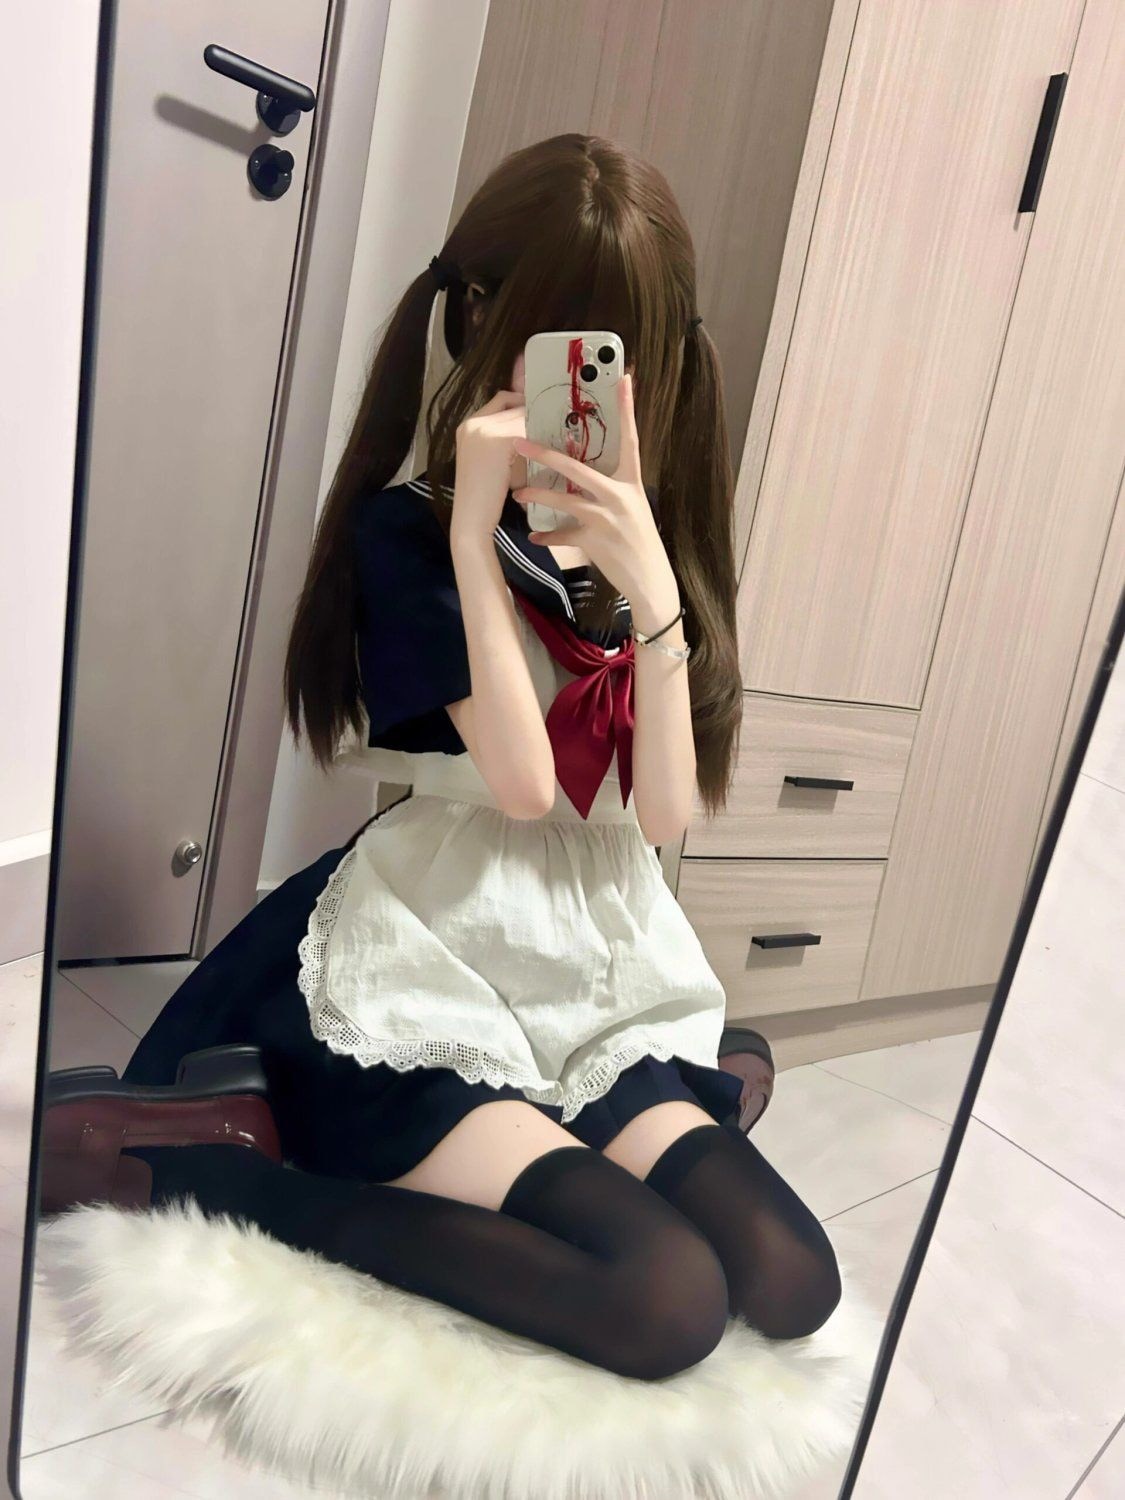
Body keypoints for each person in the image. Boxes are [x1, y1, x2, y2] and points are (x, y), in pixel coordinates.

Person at [50, 134, 840, 1381]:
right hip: (444, 953)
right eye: (554, 340)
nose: (576, 387)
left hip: (597, 955)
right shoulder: (410, 535)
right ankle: (212, 1174)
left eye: (611, 352)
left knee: (793, 1277)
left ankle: (635, 1113)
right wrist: (475, 537)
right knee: (664, 1298)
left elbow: (666, 811)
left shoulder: (643, 554)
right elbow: (524, 785)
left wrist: (651, 590)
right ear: (479, 319)